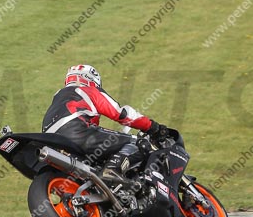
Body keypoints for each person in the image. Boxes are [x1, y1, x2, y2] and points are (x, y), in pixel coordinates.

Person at [42, 64, 183, 184]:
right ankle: (112, 170)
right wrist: (153, 127)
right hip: (77, 131)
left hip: (52, 142)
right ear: (92, 79)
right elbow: (121, 113)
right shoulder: (88, 90)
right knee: (137, 143)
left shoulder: (58, 96)